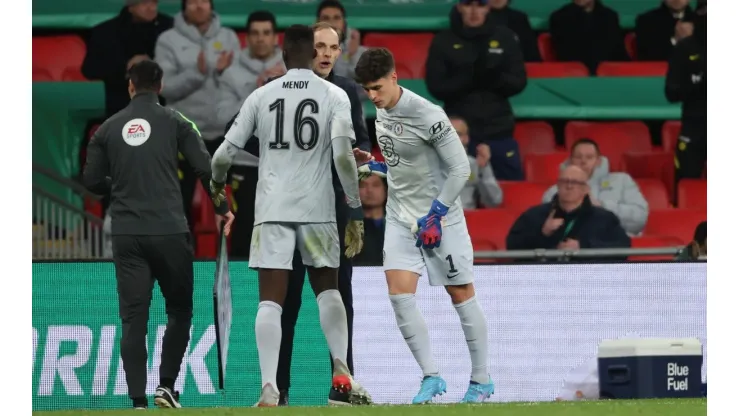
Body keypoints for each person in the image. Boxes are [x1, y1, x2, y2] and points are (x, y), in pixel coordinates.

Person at [210, 24, 371, 407]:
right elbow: (342, 158)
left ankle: (269, 388)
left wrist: (218, 186)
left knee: (271, 302)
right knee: (329, 292)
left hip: (272, 210)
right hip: (317, 210)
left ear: (283, 54)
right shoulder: (334, 95)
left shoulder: (261, 94)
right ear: (311, 55)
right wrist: (354, 207)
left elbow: (221, 156)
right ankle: (342, 377)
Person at [81, 60, 234, 409]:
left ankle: (137, 400)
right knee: (179, 310)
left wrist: (118, 185)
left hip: (127, 234)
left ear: (131, 86)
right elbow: (205, 169)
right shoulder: (177, 122)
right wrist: (222, 207)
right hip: (169, 232)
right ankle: (166, 386)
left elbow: (90, 181)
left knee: (133, 318)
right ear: (161, 86)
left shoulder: (106, 129)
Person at [354, 47, 495, 403]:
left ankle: (481, 380)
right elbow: (405, 165)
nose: (372, 96)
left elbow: (460, 169)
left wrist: (435, 214)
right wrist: (376, 166)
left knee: (460, 295)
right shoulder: (380, 108)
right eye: (367, 90)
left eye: (377, 88)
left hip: (440, 218)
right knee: (399, 296)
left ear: (394, 78)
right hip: (401, 217)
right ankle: (431, 376)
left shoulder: (428, 114)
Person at [273, 21, 372, 406]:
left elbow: (362, 141)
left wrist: (360, 155)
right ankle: (279, 390)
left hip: (333, 211)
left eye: (333, 47)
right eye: (319, 47)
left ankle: (343, 387)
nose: (327, 54)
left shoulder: (347, 91)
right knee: (288, 302)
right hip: (289, 210)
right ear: (305, 51)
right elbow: (245, 132)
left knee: (339, 298)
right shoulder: (281, 90)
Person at [154, 0, 241, 228]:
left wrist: (223, 72)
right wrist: (197, 73)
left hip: (224, 135)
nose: (199, 6)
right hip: (183, 135)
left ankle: (234, 259)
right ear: (184, 7)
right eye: (192, 1)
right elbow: (165, 87)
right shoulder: (168, 40)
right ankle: (182, 258)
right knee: (179, 204)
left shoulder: (229, 37)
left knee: (232, 205)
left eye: (203, 1)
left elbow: (241, 84)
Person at [425, 0, 527, 181]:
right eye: (468, 4)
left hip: (498, 131)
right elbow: (436, 86)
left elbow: (519, 82)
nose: (474, 11)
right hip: (459, 135)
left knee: (507, 191)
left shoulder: (505, 37)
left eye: (480, 4)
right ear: (459, 7)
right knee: (458, 195)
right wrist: (468, 78)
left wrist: (493, 77)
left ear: (488, 7)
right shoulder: (443, 40)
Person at [506, 165, 631, 257]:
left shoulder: (605, 218)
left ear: (586, 189)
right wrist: (542, 234)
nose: (569, 186)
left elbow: (623, 248)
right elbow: (512, 247)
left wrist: (583, 247)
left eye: (575, 182)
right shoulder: (534, 215)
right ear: (558, 185)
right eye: (565, 181)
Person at [81, 0, 173, 117]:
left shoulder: (172, 28)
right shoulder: (105, 32)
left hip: (165, 106)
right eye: (145, 3)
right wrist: (127, 66)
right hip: (122, 106)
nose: (152, 8)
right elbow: (89, 69)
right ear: (130, 7)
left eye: (154, 3)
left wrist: (155, 64)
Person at [541, 139, 648, 236]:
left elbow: (640, 219)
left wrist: (602, 206)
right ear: (570, 160)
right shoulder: (554, 191)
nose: (583, 161)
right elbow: (547, 227)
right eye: (578, 157)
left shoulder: (622, 181)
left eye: (589, 157)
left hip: (615, 247)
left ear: (598, 161)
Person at [665, 0, 706, 181]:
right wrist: (698, 82)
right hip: (694, 128)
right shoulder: (685, 48)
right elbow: (671, 93)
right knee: (685, 183)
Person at [549, 0, 628, 74]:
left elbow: (618, 52)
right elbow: (566, 54)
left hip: (609, 75)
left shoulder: (610, 16)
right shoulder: (560, 17)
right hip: (575, 75)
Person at [450, 116, 503, 209]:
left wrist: (483, 168)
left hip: (467, 220)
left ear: (466, 138)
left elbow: (494, 202)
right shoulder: (424, 164)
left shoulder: (476, 164)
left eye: (457, 134)